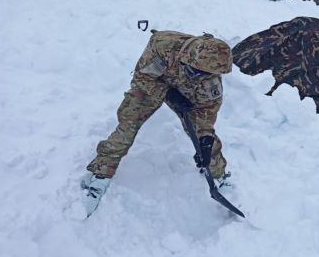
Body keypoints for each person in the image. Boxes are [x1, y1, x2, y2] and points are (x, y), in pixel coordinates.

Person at [82, 30, 233, 216]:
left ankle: (219, 175)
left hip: (187, 92)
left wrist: (205, 140)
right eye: (195, 72)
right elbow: (142, 77)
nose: (199, 77)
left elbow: (206, 114)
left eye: (204, 75)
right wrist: (168, 94)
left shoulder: (210, 81)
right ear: (188, 58)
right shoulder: (163, 45)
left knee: (205, 141)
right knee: (128, 124)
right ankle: (101, 172)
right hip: (152, 83)